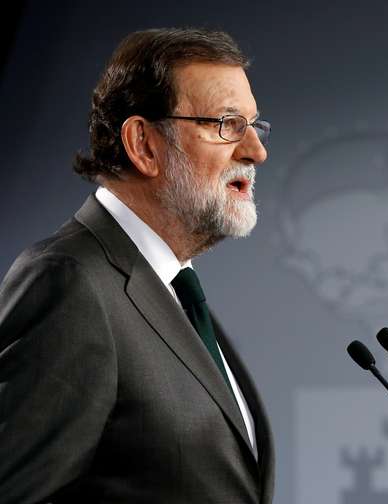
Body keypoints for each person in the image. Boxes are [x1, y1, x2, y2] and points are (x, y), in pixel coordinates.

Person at [0, 28, 274, 503]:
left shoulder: (174, 288)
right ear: (143, 144)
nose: (256, 151)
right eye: (227, 124)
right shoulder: (70, 282)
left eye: (254, 125)